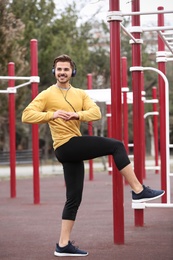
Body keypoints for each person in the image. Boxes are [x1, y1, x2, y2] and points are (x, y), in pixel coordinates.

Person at [22, 54, 164, 257]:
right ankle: (138, 189)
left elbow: (95, 112)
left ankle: (62, 245)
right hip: (65, 145)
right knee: (117, 146)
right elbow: (27, 115)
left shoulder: (80, 94)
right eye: (59, 69)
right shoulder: (47, 94)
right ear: (54, 72)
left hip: (72, 149)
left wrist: (77, 114)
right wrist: (51, 115)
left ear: (73, 72)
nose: (62, 72)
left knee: (73, 198)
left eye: (66, 69)